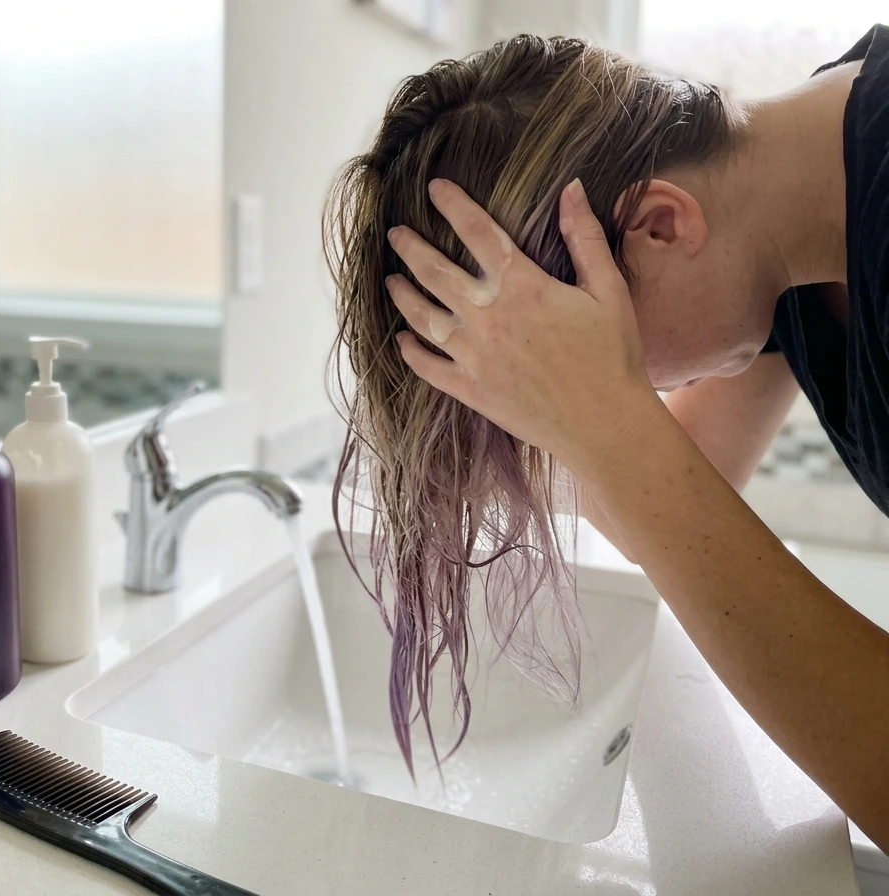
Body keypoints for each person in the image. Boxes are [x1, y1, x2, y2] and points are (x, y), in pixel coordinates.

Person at [324, 28, 889, 848]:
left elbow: (651, 482)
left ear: (659, 226)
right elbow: (678, 486)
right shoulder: (789, 224)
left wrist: (601, 413)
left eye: (604, 345)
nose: (642, 393)